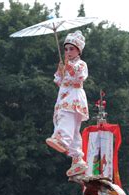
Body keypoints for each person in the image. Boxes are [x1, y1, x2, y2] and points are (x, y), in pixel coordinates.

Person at [46, 30, 89, 177]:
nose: (68, 51)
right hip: (65, 98)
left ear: (78, 50)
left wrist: (69, 68)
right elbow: (59, 82)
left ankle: (62, 141)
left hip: (73, 99)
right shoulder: (65, 65)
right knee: (74, 130)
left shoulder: (80, 64)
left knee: (66, 120)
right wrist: (61, 70)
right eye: (66, 49)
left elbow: (79, 77)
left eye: (71, 49)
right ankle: (77, 159)